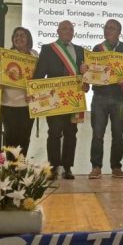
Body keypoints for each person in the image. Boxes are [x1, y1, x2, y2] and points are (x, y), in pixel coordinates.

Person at [33, 20, 84, 179]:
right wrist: (35, 94)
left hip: (73, 99)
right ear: (57, 31)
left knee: (71, 133)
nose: (68, 31)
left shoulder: (80, 50)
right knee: (54, 132)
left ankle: (67, 168)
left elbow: (84, 75)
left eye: (71, 29)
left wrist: (86, 83)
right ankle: (54, 167)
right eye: (64, 28)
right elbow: (39, 74)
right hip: (53, 98)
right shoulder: (48, 49)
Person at [85, 19, 123, 179]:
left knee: (118, 135)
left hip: (119, 97)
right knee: (97, 135)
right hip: (99, 96)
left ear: (119, 32)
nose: (108, 30)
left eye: (112, 28)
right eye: (106, 27)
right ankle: (96, 167)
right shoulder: (97, 49)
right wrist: (85, 71)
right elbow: (92, 73)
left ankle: (116, 167)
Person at [0, 27, 37, 156]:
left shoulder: (35, 55)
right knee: (10, 138)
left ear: (28, 39)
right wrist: (2, 68)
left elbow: (38, 77)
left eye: (22, 35)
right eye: (16, 35)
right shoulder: (7, 55)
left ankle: (21, 165)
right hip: (9, 103)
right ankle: (10, 166)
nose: (19, 38)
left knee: (25, 137)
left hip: (29, 104)